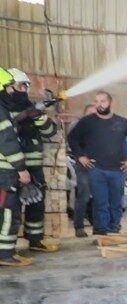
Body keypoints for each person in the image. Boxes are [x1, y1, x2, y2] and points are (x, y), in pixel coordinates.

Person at [67, 91, 127, 235]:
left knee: (116, 202)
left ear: (111, 103)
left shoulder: (122, 122)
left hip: (118, 170)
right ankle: (100, 230)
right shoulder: (87, 121)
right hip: (96, 169)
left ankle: (114, 227)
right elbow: (72, 138)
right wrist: (81, 156)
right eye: (96, 101)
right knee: (100, 202)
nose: (99, 104)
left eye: (102, 101)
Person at [3, 68, 60, 252]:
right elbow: (7, 135)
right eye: (21, 85)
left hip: (33, 166)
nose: (23, 89)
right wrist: (21, 118)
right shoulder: (4, 108)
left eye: (26, 86)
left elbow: (51, 132)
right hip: (13, 168)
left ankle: (35, 240)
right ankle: (6, 250)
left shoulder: (31, 108)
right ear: (10, 87)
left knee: (36, 202)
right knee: (12, 207)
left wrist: (38, 116)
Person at [0, 67, 33, 267]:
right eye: (8, 87)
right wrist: (21, 169)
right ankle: (5, 254)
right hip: (4, 173)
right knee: (8, 212)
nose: (12, 91)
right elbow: (7, 141)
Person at [68, 103, 96, 237]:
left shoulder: (100, 126)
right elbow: (72, 141)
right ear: (84, 114)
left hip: (98, 165)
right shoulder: (77, 125)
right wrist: (81, 156)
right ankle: (78, 227)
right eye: (90, 112)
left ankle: (98, 225)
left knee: (99, 196)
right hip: (83, 165)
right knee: (84, 195)